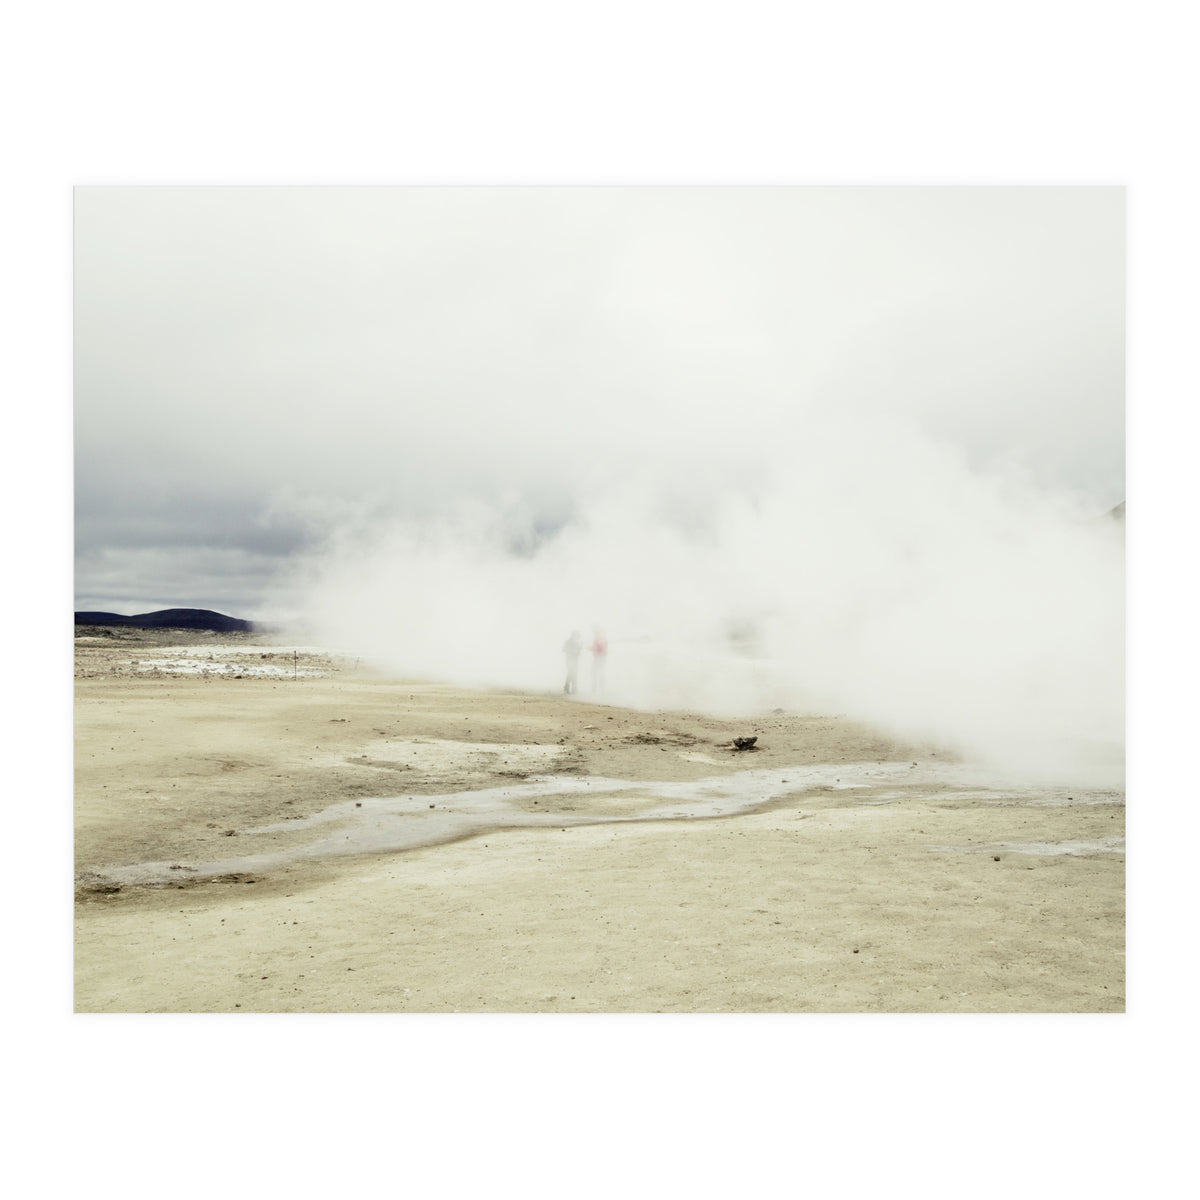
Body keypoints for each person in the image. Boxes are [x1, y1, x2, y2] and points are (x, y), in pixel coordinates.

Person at [562, 630, 582, 695]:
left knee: (575, 674)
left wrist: (579, 649)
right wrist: (573, 651)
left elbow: (578, 652)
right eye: (577, 636)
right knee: (571, 674)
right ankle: (566, 688)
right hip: (569, 660)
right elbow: (564, 649)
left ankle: (574, 689)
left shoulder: (577, 643)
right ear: (573, 636)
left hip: (575, 660)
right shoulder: (568, 642)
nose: (577, 638)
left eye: (578, 637)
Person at [590, 625, 607, 693]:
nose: (592, 631)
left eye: (593, 629)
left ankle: (596, 690)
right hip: (600, 657)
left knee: (595, 673)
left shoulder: (599, 636)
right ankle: (600, 689)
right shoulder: (601, 635)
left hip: (599, 657)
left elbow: (599, 647)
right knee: (598, 673)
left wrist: (590, 648)